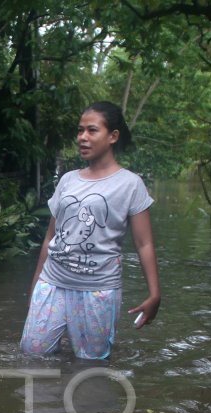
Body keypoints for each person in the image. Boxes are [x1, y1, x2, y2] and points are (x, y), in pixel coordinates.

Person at [20, 101, 161, 360]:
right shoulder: (67, 180)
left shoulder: (130, 184)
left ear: (113, 136)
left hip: (98, 290)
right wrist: (35, 288)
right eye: (80, 130)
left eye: (92, 130)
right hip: (52, 284)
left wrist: (155, 293)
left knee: (90, 366)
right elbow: (51, 237)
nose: (82, 137)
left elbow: (144, 244)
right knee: (33, 355)